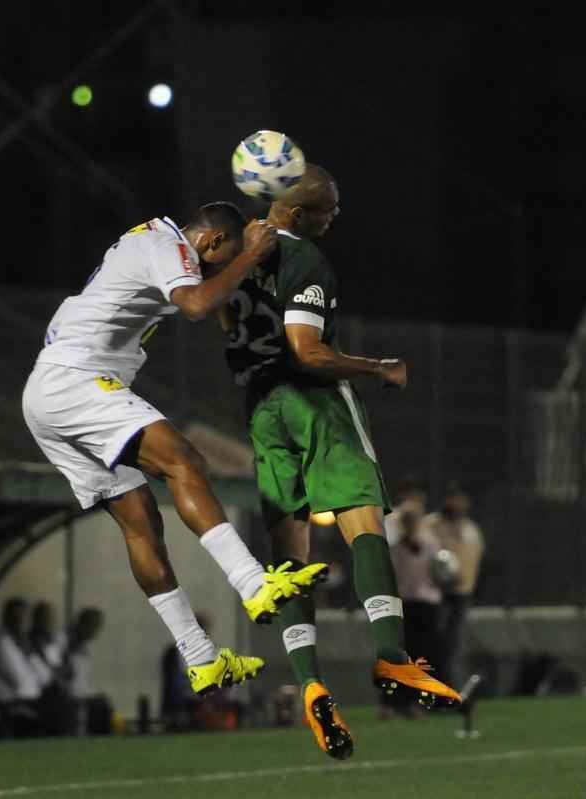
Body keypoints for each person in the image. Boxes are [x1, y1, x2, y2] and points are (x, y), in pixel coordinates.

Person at [21, 202, 328, 700]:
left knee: (140, 519)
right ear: (210, 243)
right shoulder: (165, 245)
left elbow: (213, 297)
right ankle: (253, 583)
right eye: (218, 257)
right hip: (74, 381)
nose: (212, 268)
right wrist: (248, 256)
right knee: (183, 459)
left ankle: (200, 657)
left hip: (49, 395)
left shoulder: (158, 245)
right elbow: (196, 304)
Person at [220, 164, 461, 760]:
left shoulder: (240, 252)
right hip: (314, 407)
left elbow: (225, 317)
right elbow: (307, 350)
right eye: (327, 208)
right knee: (363, 525)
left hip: (260, 409)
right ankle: (394, 659)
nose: (335, 216)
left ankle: (310, 683)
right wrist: (378, 367)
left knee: (289, 559)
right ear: (297, 213)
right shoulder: (306, 261)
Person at [421, 482, 486, 688]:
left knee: (453, 644)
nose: (458, 504)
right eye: (453, 499)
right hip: (436, 593)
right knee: (435, 642)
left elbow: (477, 557)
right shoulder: (432, 524)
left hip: (462, 593)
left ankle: (448, 685)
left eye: (461, 499)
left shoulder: (470, 528)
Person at [382, 502, 443, 720]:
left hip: (425, 605)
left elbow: (441, 574)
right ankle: (392, 702)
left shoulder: (431, 546)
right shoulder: (395, 549)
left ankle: (419, 701)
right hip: (404, 604)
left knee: (424, 654)